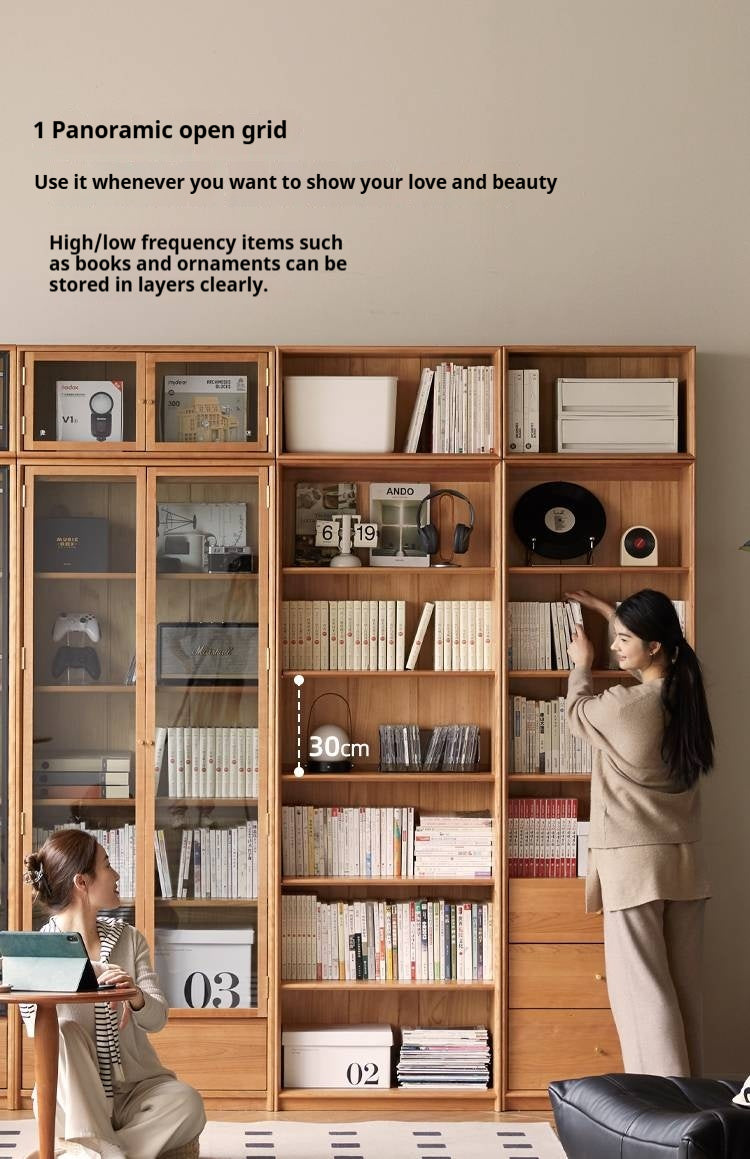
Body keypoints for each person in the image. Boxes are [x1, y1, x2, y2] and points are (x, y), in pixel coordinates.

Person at [565, 588, 714, 1078]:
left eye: (623, 640)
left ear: (653, 646)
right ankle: (692, 1102)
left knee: (641, 994)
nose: (613, 647)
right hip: (683, 865)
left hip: (634, 868)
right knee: (684, 991)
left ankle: (663, 1110)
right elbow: (646, 672)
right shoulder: (685, 693)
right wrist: (619, 617)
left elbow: (575, 713)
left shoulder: (626, 708)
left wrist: (581, 664)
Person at [21, 829, 206, 1159]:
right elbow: (35, 1025)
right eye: (107, 866)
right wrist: (97, 972)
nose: (117, 874)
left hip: (137, 1090)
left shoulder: (130, 938)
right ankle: (106, 1149)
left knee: (187, 1102)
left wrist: (134, 995)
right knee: (63, 1031)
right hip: (70, 1099)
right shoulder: (39, 953)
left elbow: (157, 1018)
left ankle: (97, 1153)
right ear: (82, 882)